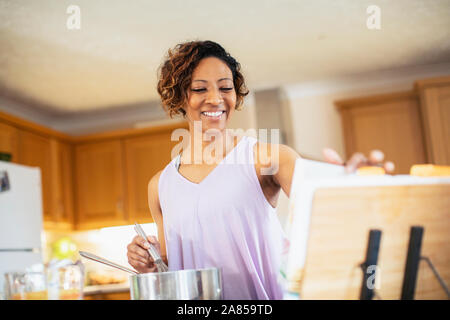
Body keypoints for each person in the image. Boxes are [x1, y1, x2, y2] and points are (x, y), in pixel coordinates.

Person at [126, 40, 394, 299]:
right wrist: (148, 264)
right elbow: (169, 268)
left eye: (225, 87)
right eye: (199, 89)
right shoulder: (160, 185)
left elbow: (330, 213)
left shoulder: (267, 158)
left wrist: (355, 185)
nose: (216, 99)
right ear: (179, 97)